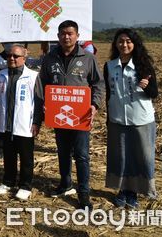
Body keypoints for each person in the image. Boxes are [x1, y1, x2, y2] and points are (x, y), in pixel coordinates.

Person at [39, 20, 104, 210]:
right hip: (59, 114)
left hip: (81, 116)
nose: (66, 37)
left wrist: (95, 105)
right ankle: (65, 184)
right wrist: (45, 103)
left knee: (82, 155)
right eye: (62, 34)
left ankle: (84, 194)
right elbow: (43, 83)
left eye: (70, 33)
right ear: (58, 36)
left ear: (77, 36)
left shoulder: (88, 58)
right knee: (63, 151)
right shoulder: (50, 58)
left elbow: (98, 84)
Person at [104, 29, 158, 208]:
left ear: (134, 44)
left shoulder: (143, 65)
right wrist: (109, 117)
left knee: (140, 156)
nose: (124, 45)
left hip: (141, 119)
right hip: (117, 119)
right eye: (120, 41)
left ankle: (134, 192)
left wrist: (146, 87)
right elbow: (109, 94)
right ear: (115, 44)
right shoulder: (110, 66)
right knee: (120, 156)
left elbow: (154, 93)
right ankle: (122, 190)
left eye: (128, 41)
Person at [0, 44, 43, 201]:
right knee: (9, 154)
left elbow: (39, 102)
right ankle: (8, 181)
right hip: (6, 123)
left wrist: (37, 122)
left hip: (24, 124)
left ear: (24, 58)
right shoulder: (1, 74)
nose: (12, 59)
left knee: (26, 157)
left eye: (16, 56)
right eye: (9, 56)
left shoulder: (33, 76)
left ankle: (25, 185)